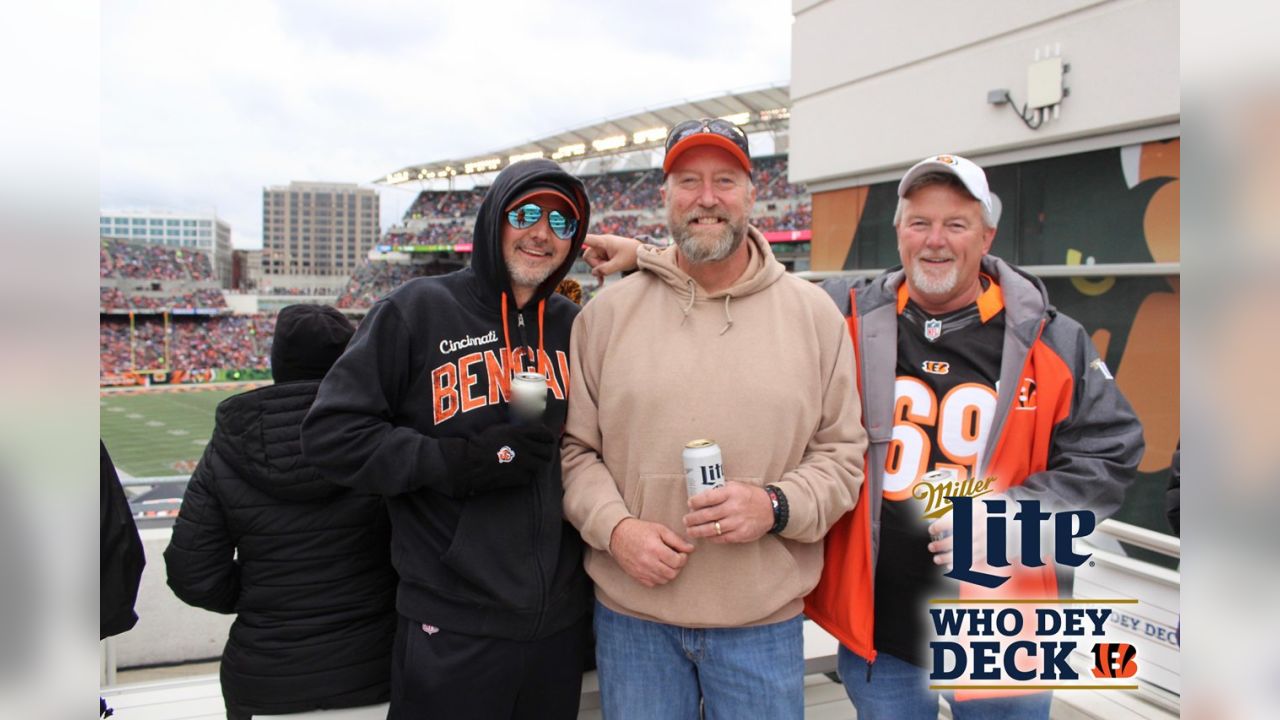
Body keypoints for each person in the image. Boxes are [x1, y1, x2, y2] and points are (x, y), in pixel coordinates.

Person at [582, 153, 1145, 719]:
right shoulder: (847, 312)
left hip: (1006, 626)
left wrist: (1016, 521)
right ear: (898, 231)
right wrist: (649, 258)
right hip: (882, 629)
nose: (935, 241)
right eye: (920, 223)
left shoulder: (1050, 336)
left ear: (987, 234)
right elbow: (732, 276)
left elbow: (1112, 450)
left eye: (956, 224)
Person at [562, 118, 866, 719]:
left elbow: (842, 457)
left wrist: (775, 505)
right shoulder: (605, 316)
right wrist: (618, 531)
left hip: (762, 623)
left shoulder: (813, 316)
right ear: (666, 196)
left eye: (725, 180)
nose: (707, 198)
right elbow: (574, 453)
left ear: (753, 193)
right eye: (689, 181)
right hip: (634, 622)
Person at [301, 159, 593, 720]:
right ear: (493, 221)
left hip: (556, 628)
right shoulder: (416, 310)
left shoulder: (573, 325)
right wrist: (452, 461)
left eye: (561, 223)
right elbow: (331, 435)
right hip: (452, 621)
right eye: (526, 213)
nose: (541, 233)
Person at [165, 304, 396, 720]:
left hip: (264, 677)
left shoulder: (226, 448)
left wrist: (258, 596)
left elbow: (192, 573)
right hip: (373, 670)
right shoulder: (381, 437)